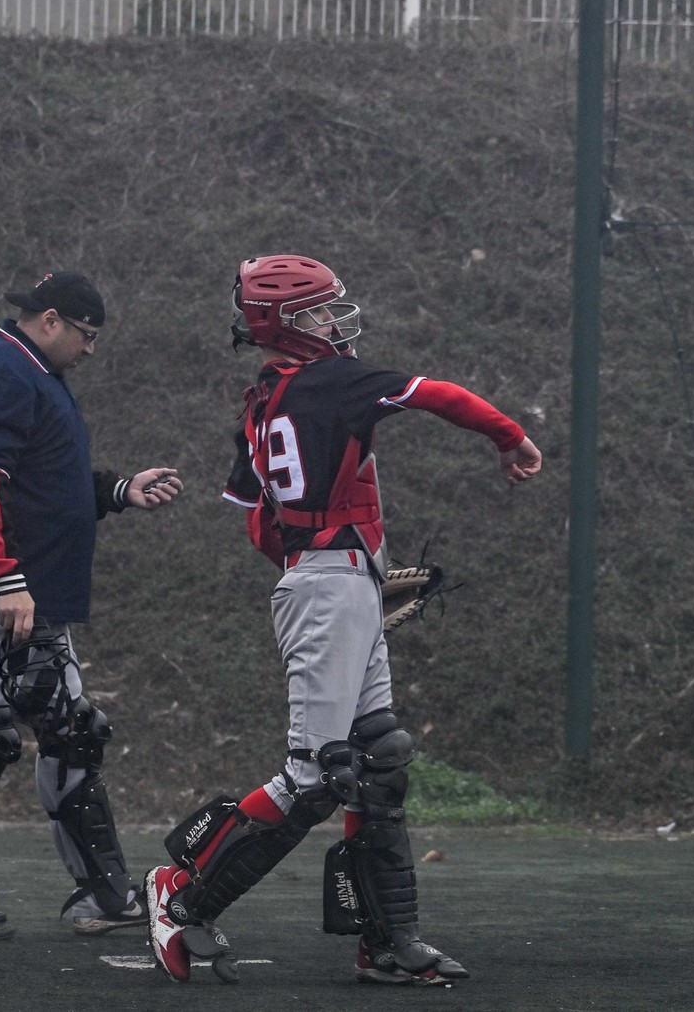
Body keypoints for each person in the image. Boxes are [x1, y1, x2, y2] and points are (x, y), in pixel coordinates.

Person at [144, 254, 541, 986]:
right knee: (314, 774)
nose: (335, 322)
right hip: (332, 586)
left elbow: (257, 521)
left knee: (378, 757)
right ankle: (183, 892)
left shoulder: (261, 398)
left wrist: (336, 576)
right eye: (321, 312)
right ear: (288, 323)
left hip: (332, 579)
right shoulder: (335, 378)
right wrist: (510, 438)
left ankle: (387, 940)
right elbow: (440, 395)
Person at [0, 271, 184, 940]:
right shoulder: (5, 370)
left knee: (72, 730)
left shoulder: (34, 373)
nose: (90, 349)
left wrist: (119, 489)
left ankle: (105, 895)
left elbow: (44, 486)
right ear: (52, 319)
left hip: (36, 595)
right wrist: (4, 578)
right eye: (87, 335)